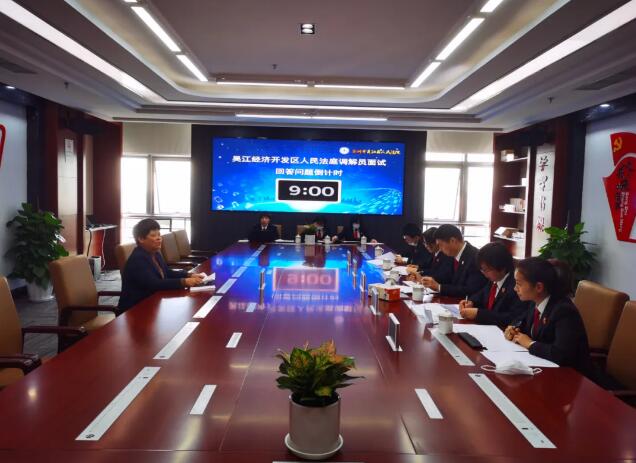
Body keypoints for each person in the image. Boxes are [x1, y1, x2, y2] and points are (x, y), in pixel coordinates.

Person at [504, 257, 592, 373]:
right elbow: (521, 320)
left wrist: (530, 344)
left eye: (519, 284)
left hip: (571, 375)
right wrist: (513, 328)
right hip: (543, 367)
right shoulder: (535, 301)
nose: (515, 288)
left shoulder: (563, 310)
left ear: (539, 287)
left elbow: (562, 355)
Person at [119, 219, 204, 311]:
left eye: (159, 235)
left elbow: (167, 272)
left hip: (153, 302)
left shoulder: (155, 253)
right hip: (135, 309)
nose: (159, 238)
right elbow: (154, 284)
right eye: (153, 235)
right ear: (141, 239)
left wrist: (189, 275)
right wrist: (184, 282)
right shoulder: (138, 258)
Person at [459, 242, 529, 326]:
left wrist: (479, 314)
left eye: (487, 270)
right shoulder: (494, 279)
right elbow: (481, 294)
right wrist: (471, 302)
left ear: (502, 267)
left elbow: (512, 318)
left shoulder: (516, 286)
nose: (484, 273)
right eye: (482, 270)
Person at [421, 224, 487, 297]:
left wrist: (439, 287)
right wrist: (426, 280)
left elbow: (471, 290)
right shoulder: (452, 254)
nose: (440, 249)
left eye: (440, 245)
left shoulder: (475, 257)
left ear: (453, 241)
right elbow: (446, 277)